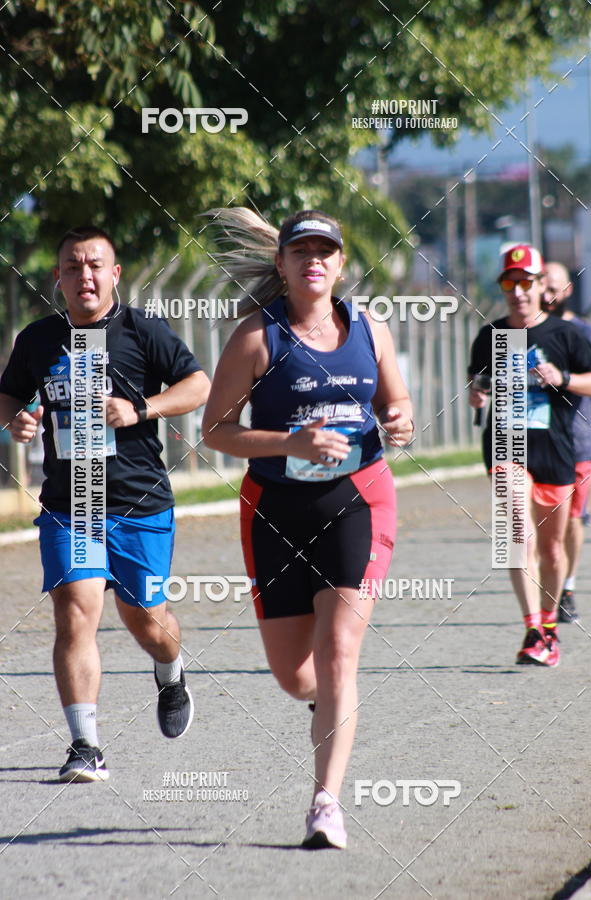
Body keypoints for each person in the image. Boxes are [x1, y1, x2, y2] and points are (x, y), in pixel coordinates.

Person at [202, 208, 413, 849]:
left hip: (359, 499)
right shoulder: (255, 339)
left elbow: (394, 403)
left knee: (339, 650)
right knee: (297, 677)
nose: (313, 260)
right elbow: (215, 430)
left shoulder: (369, 330)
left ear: (341, 264)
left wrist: (399, 420)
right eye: (301, 251)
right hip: (275, 510)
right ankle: (329, 705)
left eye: (325, 250)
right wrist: (291, 441)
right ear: (283, 265)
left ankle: (326, 803)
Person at [0, 225, 210, 782]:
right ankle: (85, 744)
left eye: (96, 265)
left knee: (146, 621)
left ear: (114, 274)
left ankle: (170, 670)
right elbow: (8, 396)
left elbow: (198, 384)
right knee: (75, 614)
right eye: (73, 266)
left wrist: (140, 409)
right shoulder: (39, 339)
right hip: (71, 505)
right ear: (58, 278)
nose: (85, 276)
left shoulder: (142, 331)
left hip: (139, 501)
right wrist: (15, 419)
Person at [469, 244, 591, 667]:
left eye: (526, 282)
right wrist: (477, 393)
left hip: (556, 450)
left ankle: (549, 629)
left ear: (542, 286)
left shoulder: (567, 335)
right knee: (516, 535)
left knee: (552, 549)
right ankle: (532, 629)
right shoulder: (490, 336)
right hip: (506, 446)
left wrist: (563, 378)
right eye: (510, 283)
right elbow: (478, 381)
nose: (518, 291)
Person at [542, 261, 591, 623]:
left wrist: (563, 379)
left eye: (553, 287)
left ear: (567, 290)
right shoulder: (518, 331)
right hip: (531, 443)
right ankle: (540, 597)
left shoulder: (584, 332)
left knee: (573, 519)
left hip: (576, 441)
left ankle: (568, 589)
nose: (546, 293)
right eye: (541, 285)